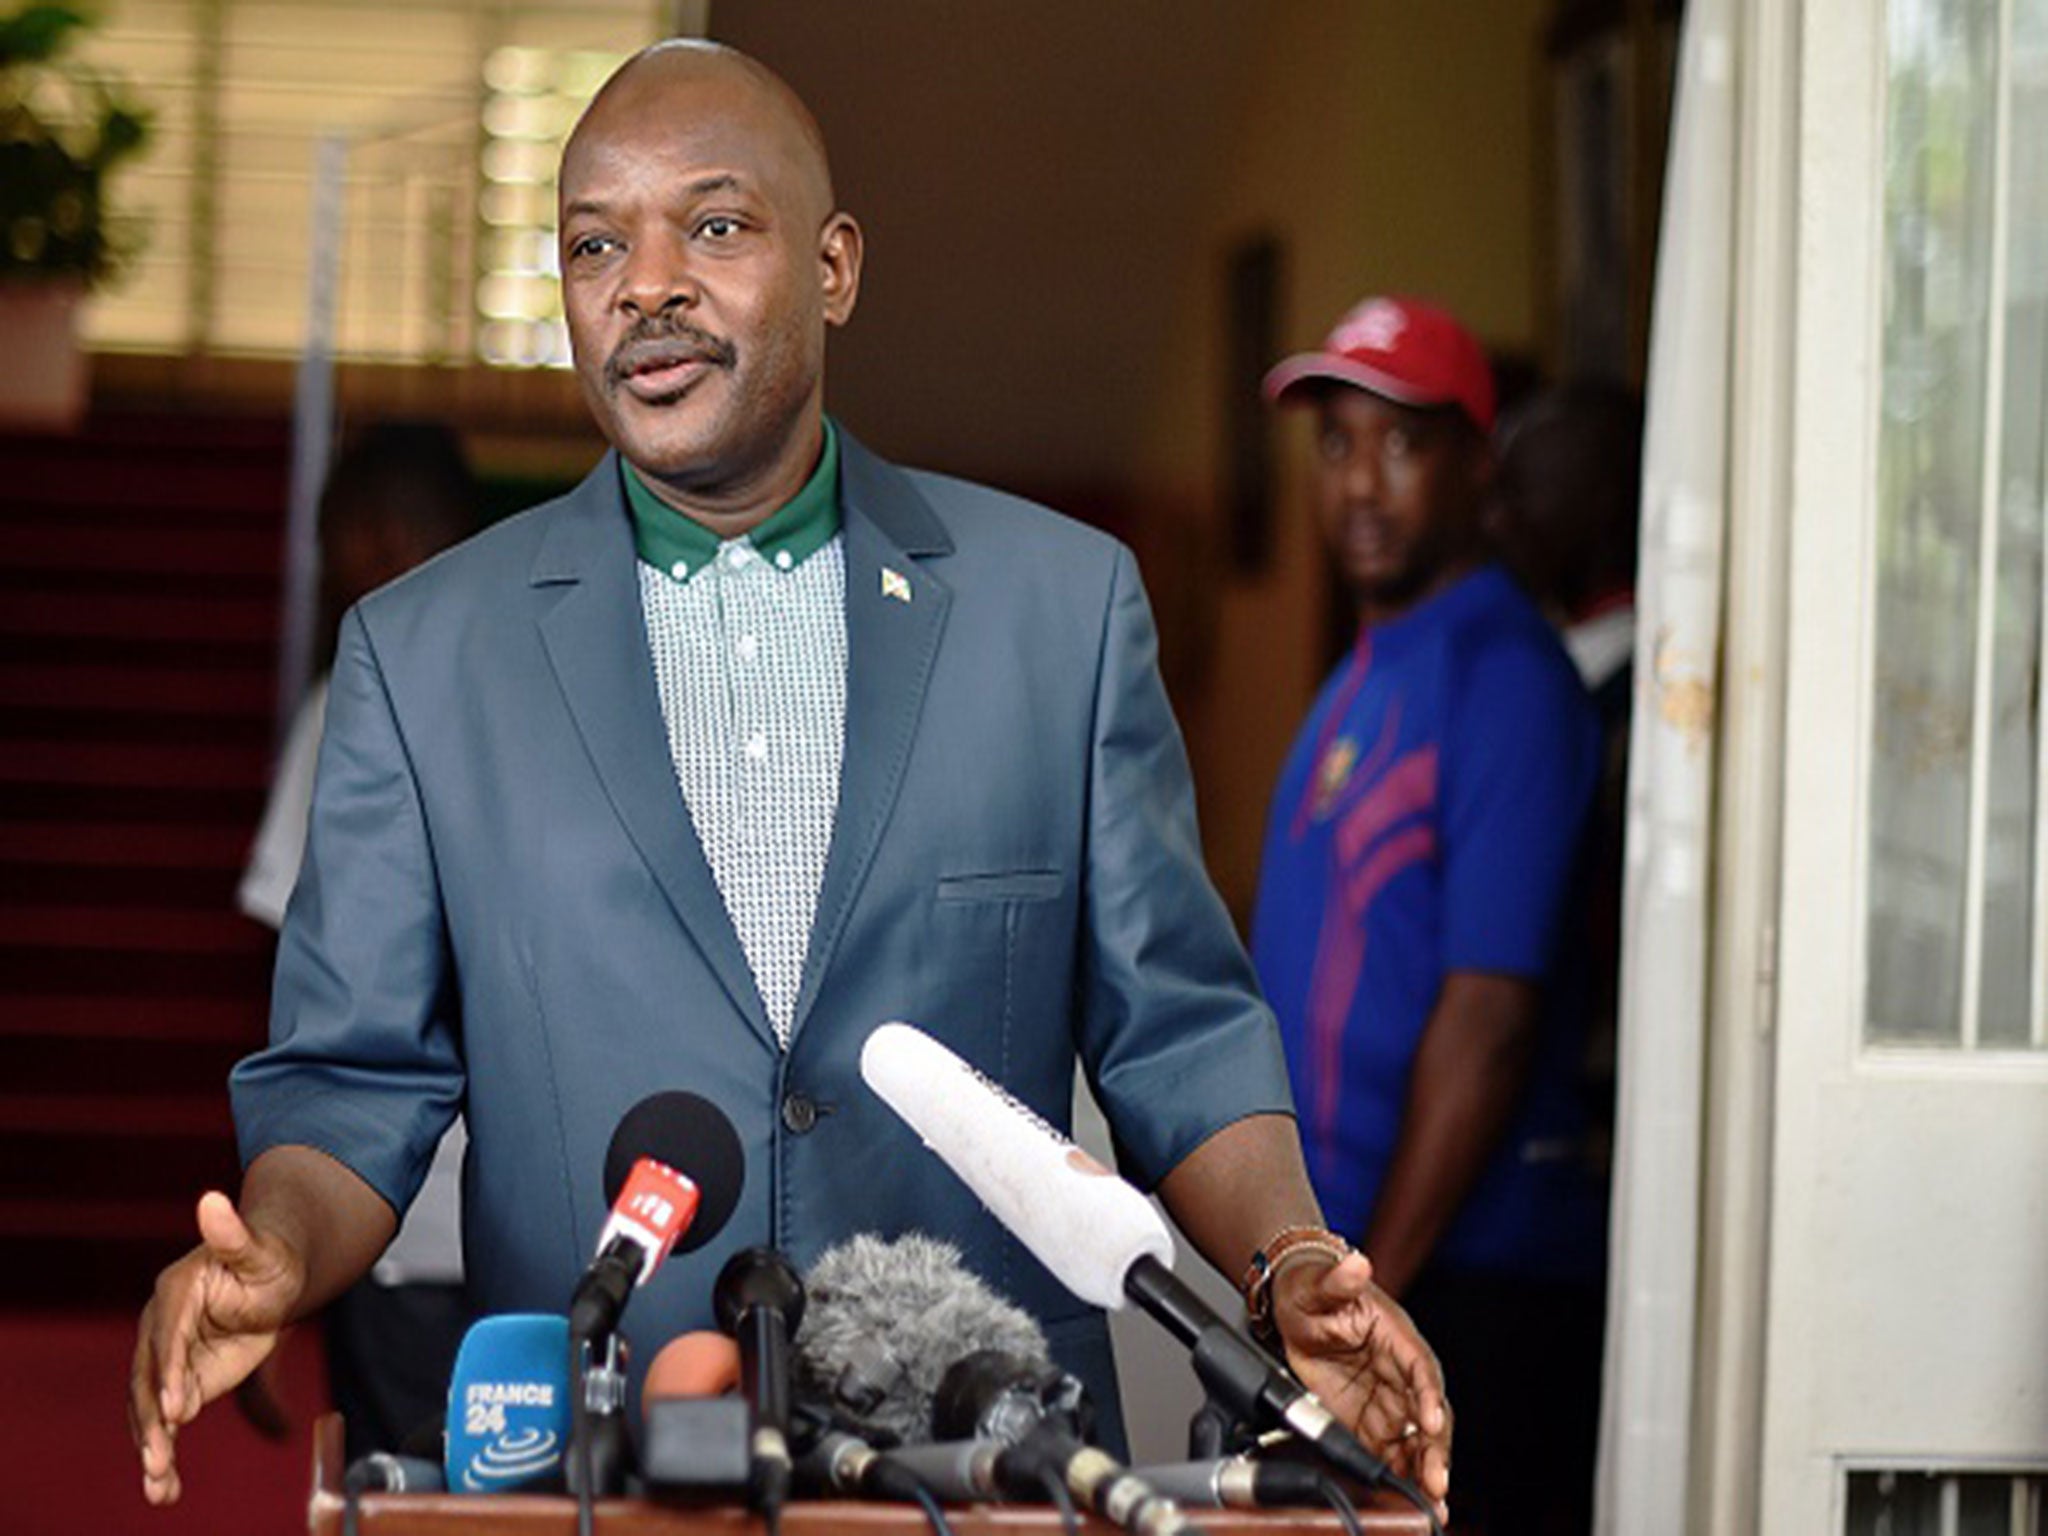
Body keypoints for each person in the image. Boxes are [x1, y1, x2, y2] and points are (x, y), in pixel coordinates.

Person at [128, 42, 1449, 1512]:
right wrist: (279, 1255)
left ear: (835, 267)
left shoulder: (1059, 614)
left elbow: (1178, 1034)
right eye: (592, 244)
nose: (645, 285)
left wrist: (1293, 1265)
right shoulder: (424, 658)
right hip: (596, 1471)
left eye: (713, 225)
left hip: (987, 1458)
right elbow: (353, 1083)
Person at [1252, 298, 1607, 1533]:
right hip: (1362, 1280)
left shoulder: (1500, 674)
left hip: (1466, 1291)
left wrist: (1370, 1293)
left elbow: (1489, 1017)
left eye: (1400, 445)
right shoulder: (1370, 664)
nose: (1359, 482)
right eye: (1336, 442)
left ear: (1475, 464)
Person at [236, 421, 479, 1465]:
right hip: (549, 1222)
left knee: (398, 1494)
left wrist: (271, 1230)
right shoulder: (564, 700)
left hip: (388, 1213)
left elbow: (298, 991)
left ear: (377, 542)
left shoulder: (353, 708)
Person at [1489, 380, 1644, 1175]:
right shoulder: (1542, 673)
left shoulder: (1639, 707)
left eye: (1521, 492)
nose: (1496, 519)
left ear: (1607, 500)